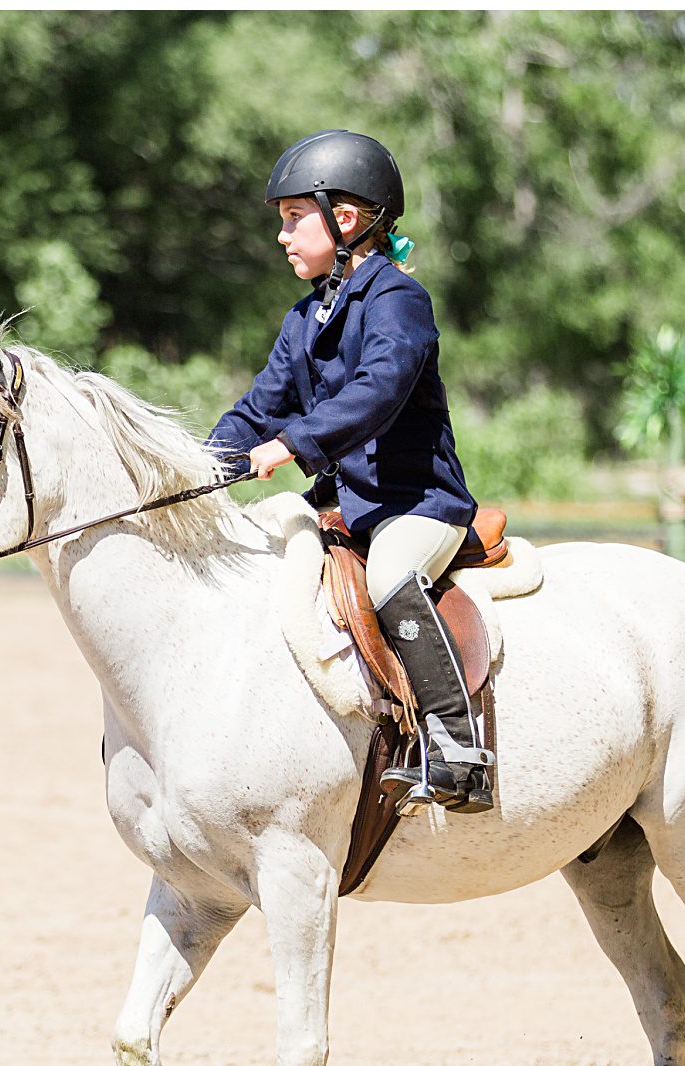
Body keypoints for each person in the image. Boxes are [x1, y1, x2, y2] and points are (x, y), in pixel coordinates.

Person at [209, 129, 492, 812]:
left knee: (395, 578)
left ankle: (457, 749)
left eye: (292, 218)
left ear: (345, 219)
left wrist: (292, 446)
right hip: (340, 509)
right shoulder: (304, 318)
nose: (280, 235)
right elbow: (258, 406)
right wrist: (204, 463)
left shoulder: (399, 301)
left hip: (415, 506)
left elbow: (378, 392)